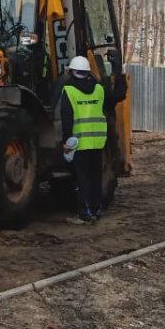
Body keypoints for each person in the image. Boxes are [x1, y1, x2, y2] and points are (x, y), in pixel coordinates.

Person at [59, 53, 127, 223]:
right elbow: (119, 95)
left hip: (79, 144)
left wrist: (66, 141)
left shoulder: (69, 91)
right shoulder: (99, 90)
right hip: (97, 143)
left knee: (81, 179)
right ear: (88, 72)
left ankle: (85, 213)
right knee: (95, 177)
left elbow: (67, 119)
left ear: (71, 72)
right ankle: (96, 210)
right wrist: (120, 76)